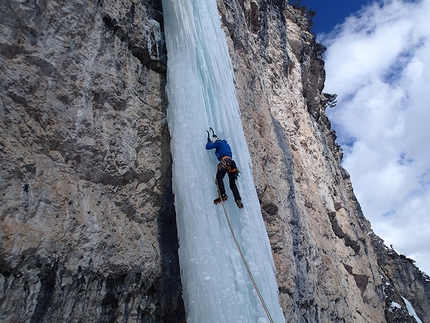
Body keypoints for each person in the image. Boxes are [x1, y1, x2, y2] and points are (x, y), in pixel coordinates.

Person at [206, 134, 243, 208]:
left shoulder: (219, 143)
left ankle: (223, 195)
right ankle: (238, 200)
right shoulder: (226, 145)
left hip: (225, 162)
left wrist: (209, 142)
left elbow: (208, 147)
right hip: (232, 164)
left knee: (219, 178)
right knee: (232, 184)